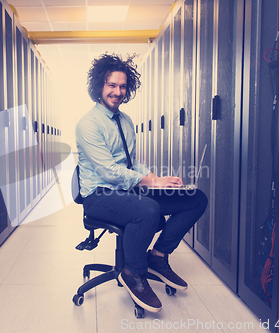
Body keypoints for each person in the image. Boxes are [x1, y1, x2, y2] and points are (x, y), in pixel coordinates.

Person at [75, 53, 208, 313]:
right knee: (148, 209)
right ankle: (133, 273)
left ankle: (157, 257)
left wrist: (158, 181)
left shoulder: (125, 121)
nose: (117, 91)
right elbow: (111, 172)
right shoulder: (88, 124)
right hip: (99, 195)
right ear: (99, 87)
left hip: (127, 190)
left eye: (122, 86)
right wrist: (151, 181)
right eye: (111, 85)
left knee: (195, 198)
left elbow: (130, 163)